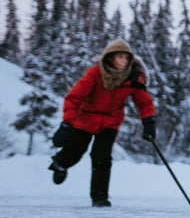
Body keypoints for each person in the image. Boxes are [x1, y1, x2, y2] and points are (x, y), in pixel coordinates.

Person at [48, 39, 157, 208]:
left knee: (102, 157)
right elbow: (74, 97)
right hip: (85, 119)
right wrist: (67, 123)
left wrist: (148, 122)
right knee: (76, 150)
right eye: (120, 57)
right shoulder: (95, 73)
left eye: (126, 58)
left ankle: (99, 197)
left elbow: (144, 102)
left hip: (110, 122)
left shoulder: (133, 77)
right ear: (110, 57)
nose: (124, 61)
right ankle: (60, 164)